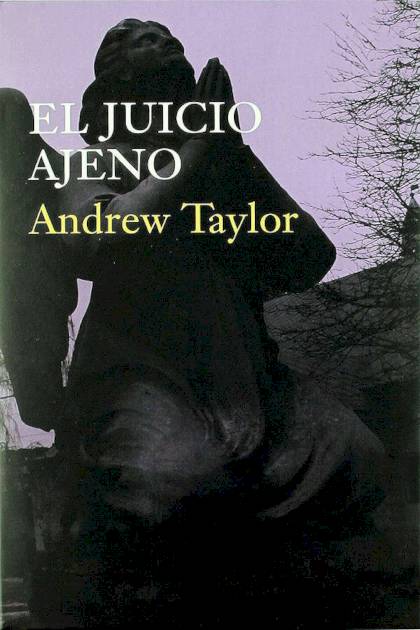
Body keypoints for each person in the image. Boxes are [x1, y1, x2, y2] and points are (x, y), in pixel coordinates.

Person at [0, 18, 385, 623]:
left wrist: (231, 149)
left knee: (358, 461)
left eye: (169, 35)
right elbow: (105, 234)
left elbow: (310, 256)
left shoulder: (219, 168)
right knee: (168, 486)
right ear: (114, 83)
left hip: (244, 374)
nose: (165, 40)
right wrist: (201, 147)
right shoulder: (89, 165)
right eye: (142, 38)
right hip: (144, 373)